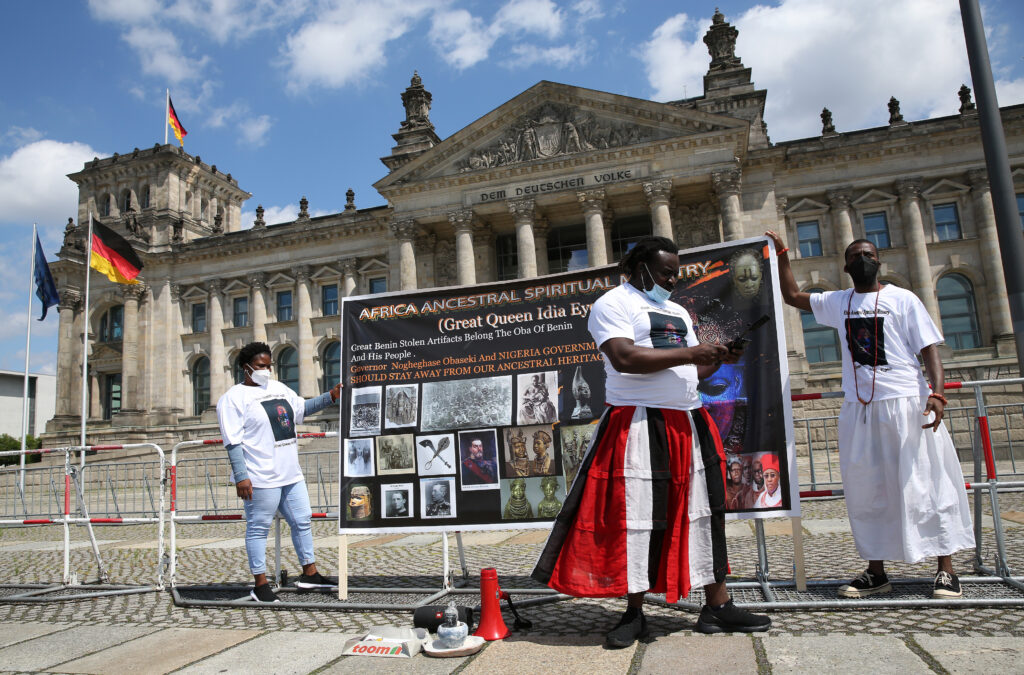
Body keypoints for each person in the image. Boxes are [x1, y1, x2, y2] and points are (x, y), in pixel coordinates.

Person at [532, 236, 771, 647]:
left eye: (676, 272)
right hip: (638, 423)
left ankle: (716, 606)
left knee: (702, 513)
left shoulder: (676, 311)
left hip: (688, 421)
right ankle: (634, 612)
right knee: (637, 520)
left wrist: (713, 360)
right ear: (639, 267)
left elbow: (689, 372)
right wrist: (695, 352)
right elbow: (626, 358)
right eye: (665, 272)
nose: (672, 279)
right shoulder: (613, 304)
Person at [766, 230, 974, 599]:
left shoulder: (903, 298)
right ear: (847, 266)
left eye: (869, 252)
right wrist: (782, 252)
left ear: (878, 261)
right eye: (856, 254)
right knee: (868, 490)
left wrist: (937, 394)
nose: (863, 258)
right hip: (860, 410)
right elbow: (792, 296)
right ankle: (876, 572)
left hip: (907, 404)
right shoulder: (838, 301)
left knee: (927, 484)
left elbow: (929, 350)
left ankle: (945, 569)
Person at [216, 341, 342, 603]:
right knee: (258, 528)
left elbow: (301, 409)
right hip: (260, 475)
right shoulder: (232, 399)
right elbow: (232, 441)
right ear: (246, 368)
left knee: (302, 520)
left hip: (290, 472)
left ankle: (309, 573)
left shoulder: (278, 388)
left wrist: (331, 395)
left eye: (269, 365)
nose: (267, 370)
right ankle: (260, 584)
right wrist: (241, 476)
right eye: (262, 366)